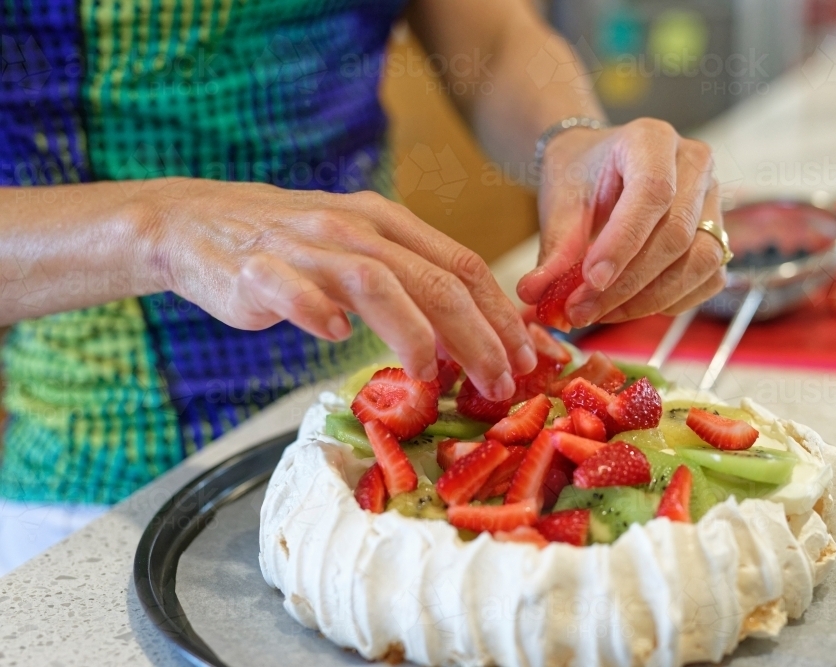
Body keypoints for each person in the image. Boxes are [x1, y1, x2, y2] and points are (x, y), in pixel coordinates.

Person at [0, 0, 726, 575]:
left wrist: (570, 139)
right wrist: (160, 226)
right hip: (94, 489)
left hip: (390, 423)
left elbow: (496, 39)